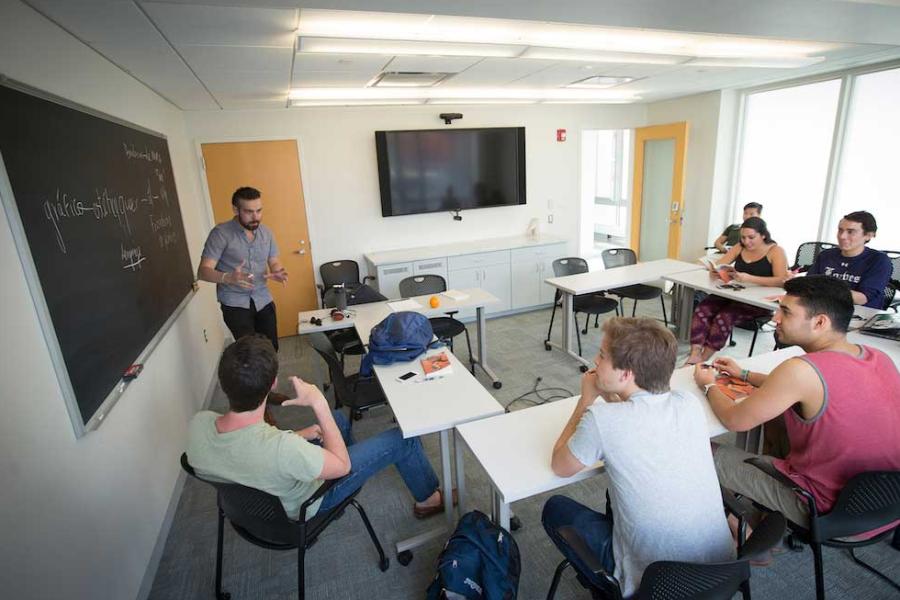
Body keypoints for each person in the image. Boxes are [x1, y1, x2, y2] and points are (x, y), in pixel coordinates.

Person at [544, 317, 733, 597]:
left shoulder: (601, 419)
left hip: (654, 586)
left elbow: (560, 465)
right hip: (719, 574)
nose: (595, 361)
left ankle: (609, 584)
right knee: (617, 495)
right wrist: (610, 395)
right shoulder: (688, 403)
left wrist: (586, 400)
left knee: (555, 508)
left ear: (626, 374)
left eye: (603, 355)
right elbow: (638, 415)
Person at [694, 276, 900, 531]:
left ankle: (746, 538)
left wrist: (708, 384)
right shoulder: (879, 357)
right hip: (882, 506)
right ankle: (767, 518)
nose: (774, 318)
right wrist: (745, 375)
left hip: (824, 511)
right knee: (776, 419)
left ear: (820, 322)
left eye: (786, 312)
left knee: (691, 450)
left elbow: (734, 420)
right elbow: (808, 388)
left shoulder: (800, 370)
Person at [186, 335, 449, 522]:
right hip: (309, 503)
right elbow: (338, 466)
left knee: (338, 419)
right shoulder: (283, 449)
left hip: (255, 503)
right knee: (403, 438)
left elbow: (249, 448)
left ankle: (343, 456)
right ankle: (429, 500)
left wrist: (302, 434)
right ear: (273, 385)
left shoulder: (199, 425)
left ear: (223, 383)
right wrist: (318, 403)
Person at [686, 217, 789, 365]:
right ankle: (695, 353)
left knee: (724, 317)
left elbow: (781, 280)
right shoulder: (739, 247)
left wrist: (750, 278)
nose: (747, 242)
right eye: (743, 237)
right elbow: (720, 264)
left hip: (758, 302)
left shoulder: (775, 251)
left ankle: (702, 360)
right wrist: (716, 271)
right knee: (702, 308)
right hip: (735, 293)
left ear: (763, 235)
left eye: (751, 237)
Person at [197, 186, 288, 352]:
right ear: (235, 209)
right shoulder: (220, 234)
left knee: (271, 349)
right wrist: (228, 278)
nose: (256, 217)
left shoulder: (266, 233)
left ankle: (271, 378)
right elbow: (203, 271)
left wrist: (278, 271)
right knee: (251, 353)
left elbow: (274, 260)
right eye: (249, 212)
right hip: (235, 303)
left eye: (259, 211)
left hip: (263, 299)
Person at [806, 210, 892, 309]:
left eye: (850, 232)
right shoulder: (826, 255)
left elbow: (862, 298)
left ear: (868, 235)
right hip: (825, 309)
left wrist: (824, 288)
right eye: (840, 230)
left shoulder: (879, 261)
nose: (842, 236)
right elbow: (809, 285)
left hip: (860, 316)